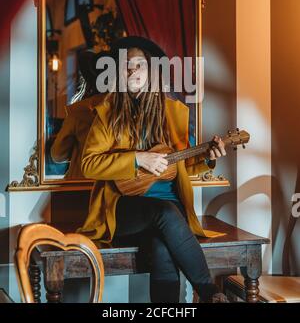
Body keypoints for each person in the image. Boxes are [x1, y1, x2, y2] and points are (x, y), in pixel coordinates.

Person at [78, 36, 228, 303]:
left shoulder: (174, 112)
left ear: (151, 71)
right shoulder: (107, 113)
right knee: (166, 214)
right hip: (126, 208)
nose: (133, 70)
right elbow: (88, 164)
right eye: (126, 65)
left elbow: (181, 163)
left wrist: (209, 158)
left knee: (163, 249)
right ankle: (209, 293)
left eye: (139, 65)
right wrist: (137, 158)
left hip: (170, 204)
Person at [50, 50, 108, 179]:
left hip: (79, 184)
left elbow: (58, 154)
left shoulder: (79, 112)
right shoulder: (126, 111)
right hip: (113, 190)